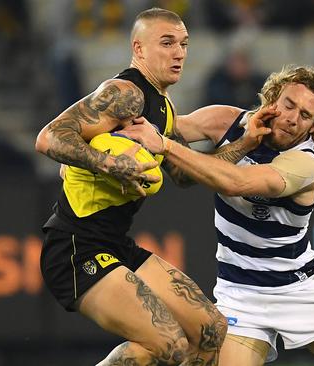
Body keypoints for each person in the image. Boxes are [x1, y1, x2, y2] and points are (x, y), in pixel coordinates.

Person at [34, 8, 272, 365]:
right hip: (74, 247)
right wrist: (113, 164)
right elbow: (48, 137)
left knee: (211, 330)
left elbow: (184, 174)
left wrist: (244, 145)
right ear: (139, 48)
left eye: (183, 44)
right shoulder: (125, 93)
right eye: (166, 43)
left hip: (115, 244)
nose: (178, 53)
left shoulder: (165, 107)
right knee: (171, 345)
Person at [119, 65, 314, 366]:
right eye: (289, 105)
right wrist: (98, 145)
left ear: (313, 127)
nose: (292, 119)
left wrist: (165, 146)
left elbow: (235, 183)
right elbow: (159, 126)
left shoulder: (306, 163)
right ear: (273, 98)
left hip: (299, 290)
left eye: (305, 115)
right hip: (240, 295)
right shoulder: (226, 121)